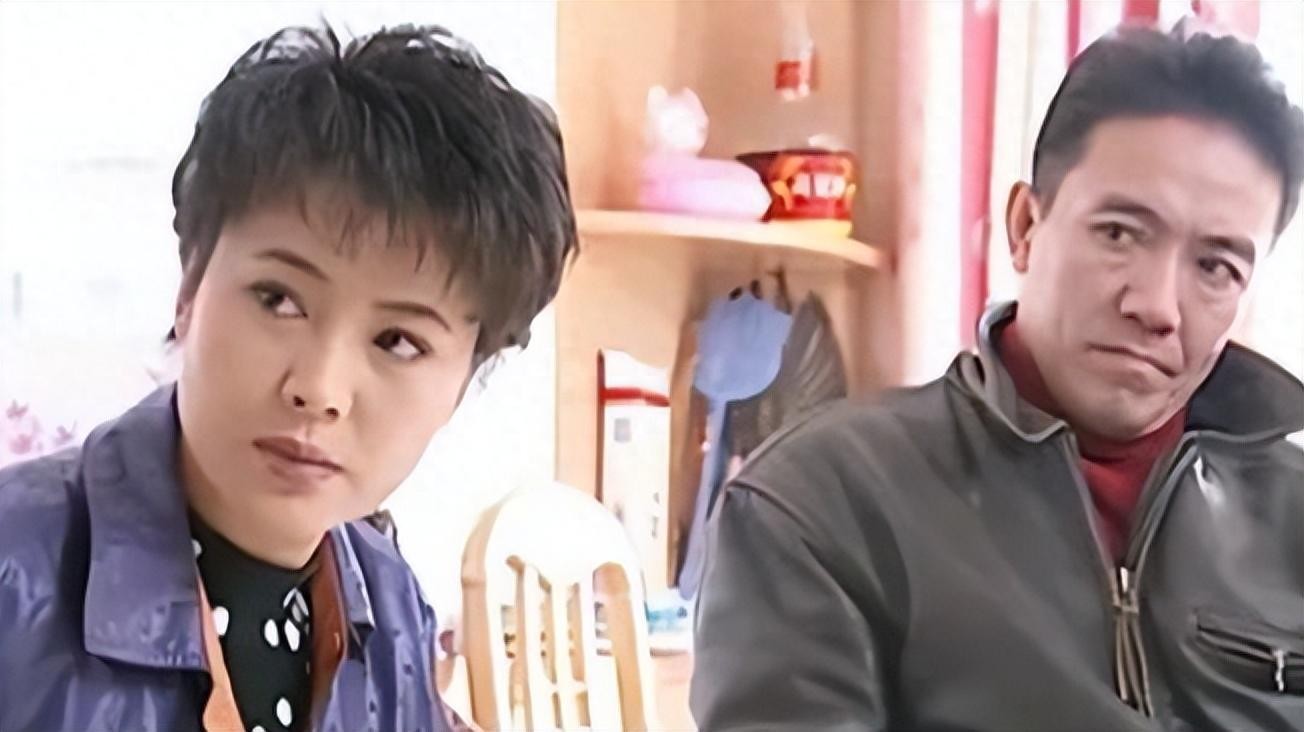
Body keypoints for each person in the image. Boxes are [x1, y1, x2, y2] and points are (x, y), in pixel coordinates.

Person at [691, 26, 1304, 732]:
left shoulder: (1290, 515)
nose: (1157, 307)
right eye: (1119, 233)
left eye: (1216, 268)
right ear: (1024, 227)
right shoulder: (821, 504)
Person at [0, 23, 575, 732]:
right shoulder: (16, 573)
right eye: (278, 300)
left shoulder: (391, 610)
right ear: (189, 289)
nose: (319, 390)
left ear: (463, 381)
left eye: (398, 341)